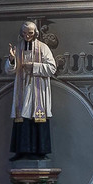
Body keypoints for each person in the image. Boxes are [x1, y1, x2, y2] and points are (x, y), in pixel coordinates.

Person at [8, 20, 57, 159]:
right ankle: (21, 151)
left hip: (38, 89)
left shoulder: (43, 48)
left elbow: (52, 68)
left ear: (35, 33)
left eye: (30, 33)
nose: (27, 36)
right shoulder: (17, 48)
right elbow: (9, 70)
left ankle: (40, 151)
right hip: (22, 90)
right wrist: (12, 60)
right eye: (24, 33)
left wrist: (34, 67)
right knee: (23, 118)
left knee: (38, 118)